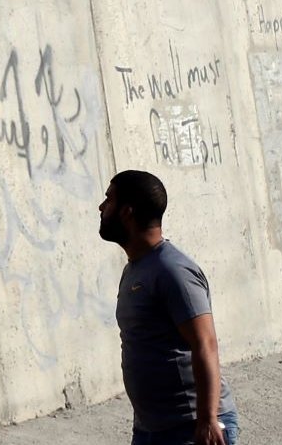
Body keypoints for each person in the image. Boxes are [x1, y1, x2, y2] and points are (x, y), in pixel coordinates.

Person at [100, 169, 238, 445]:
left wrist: (207, 419)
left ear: (127, 212)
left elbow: (205, 343)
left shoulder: (172, 270)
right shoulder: (135, 269)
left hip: (190, 427)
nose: (101, 207)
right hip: (151, 428)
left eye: (109, 199)